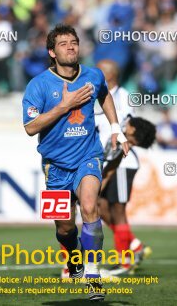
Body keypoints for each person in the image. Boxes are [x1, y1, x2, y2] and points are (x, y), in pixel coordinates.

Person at [22, 24, 129, 302]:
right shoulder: (38, 85)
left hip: (88, 156)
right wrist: (63, 106)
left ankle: (93, 275)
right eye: (63, 44)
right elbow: (31, 128)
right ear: (52, 52)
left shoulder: (93, 75)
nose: (71, 47)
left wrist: (115, 127)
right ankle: (74, 258)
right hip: (55, 165)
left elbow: (104, 94)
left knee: (91, 206)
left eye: (74, 42)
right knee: (65, 228)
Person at [94, 60, 154, 276]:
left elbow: (125, 125)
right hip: (108, 159)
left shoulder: (123, 95)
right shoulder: (94, 93)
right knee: (99, 207)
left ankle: (125, 259)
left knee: (117, 209)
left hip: (122, 159)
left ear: (109, 75)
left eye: (98, 70)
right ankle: (134, 245)